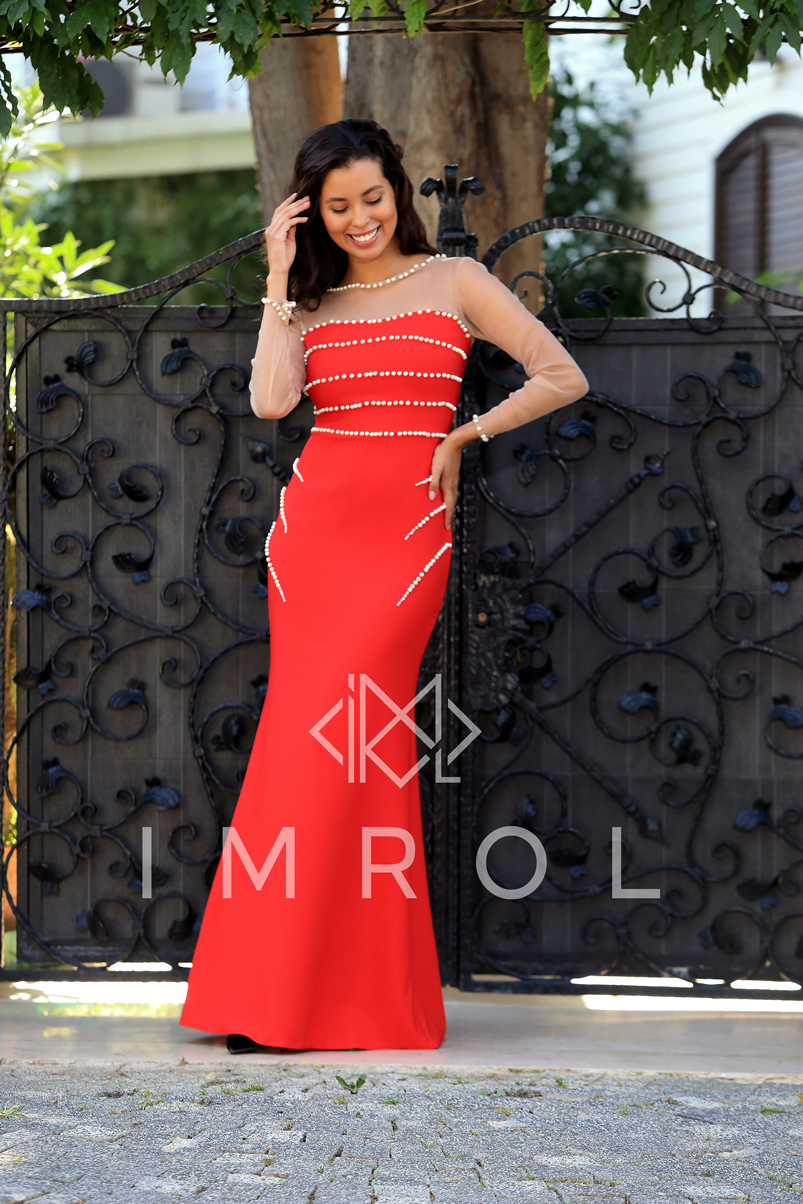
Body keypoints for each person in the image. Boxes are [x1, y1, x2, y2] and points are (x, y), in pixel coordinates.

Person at [179, 119, 588, 1054]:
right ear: (310, 213)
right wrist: (278, 276)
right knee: (299, 753)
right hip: (310, 542)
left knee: (359, 751)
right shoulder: (309, 299)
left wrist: (464, 435)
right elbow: (272, 402)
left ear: (397, 193)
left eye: (371, 197)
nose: (359, 218)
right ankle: (267, 999)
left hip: (403, 543)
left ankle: (341, 1000)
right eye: (336, 206)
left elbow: (560, 373)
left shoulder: (455, 280)